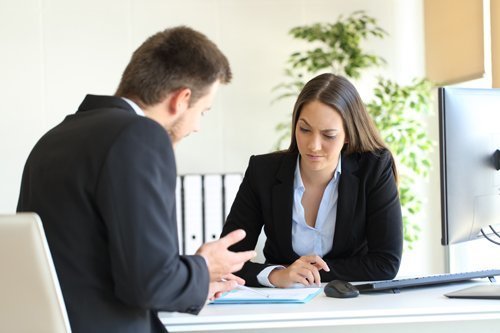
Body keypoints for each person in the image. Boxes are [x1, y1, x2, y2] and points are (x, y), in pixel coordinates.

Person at [17, 26, 256, 333]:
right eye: (203, 111)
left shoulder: (53, 139)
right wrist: (204, 267)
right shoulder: (140, 135)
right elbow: (149, 283)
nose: (197, 126)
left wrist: (191, 283)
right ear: (181, 99)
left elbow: (94, 265)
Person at [220, 73, 403, 288]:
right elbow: (228, 260)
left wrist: (306, 275)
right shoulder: (263, 172)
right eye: (305, 130)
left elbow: (386, 263)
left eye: (329, 135)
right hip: (280, 304)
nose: (313, 145)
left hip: (350, 302)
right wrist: (278, 275)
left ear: (349, 135)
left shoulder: (373, 169)